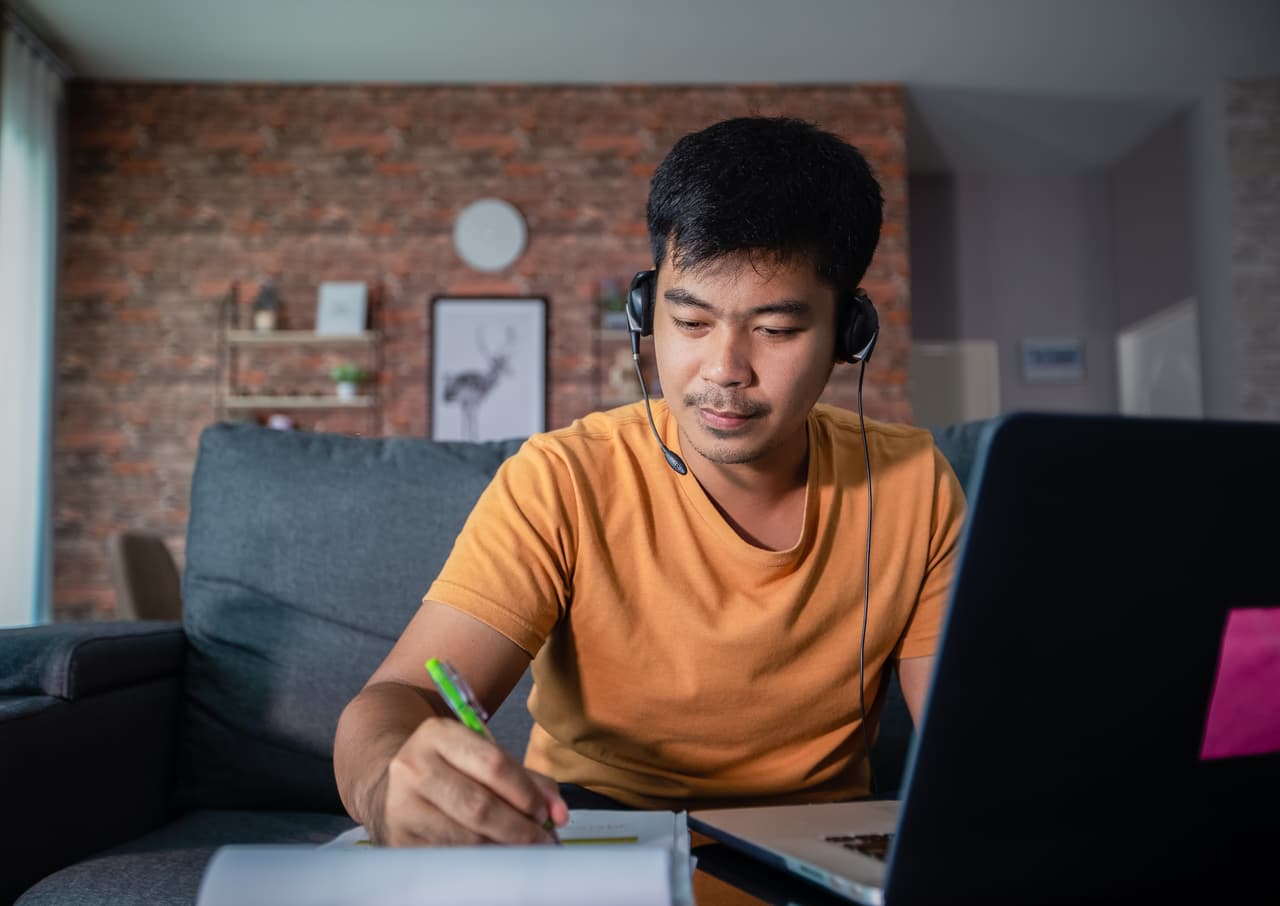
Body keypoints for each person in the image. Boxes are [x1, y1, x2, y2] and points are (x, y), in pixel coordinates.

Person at [334, 116, 967, 847]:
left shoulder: (913, 482)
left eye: (777, 329)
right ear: (645, 312)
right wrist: (388, 781)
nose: (724, 368)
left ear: (848, 336)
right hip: (592, 830)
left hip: (819, 844)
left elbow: (965, 745)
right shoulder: (562, 478)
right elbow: (394, 701)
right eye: (691, 321)